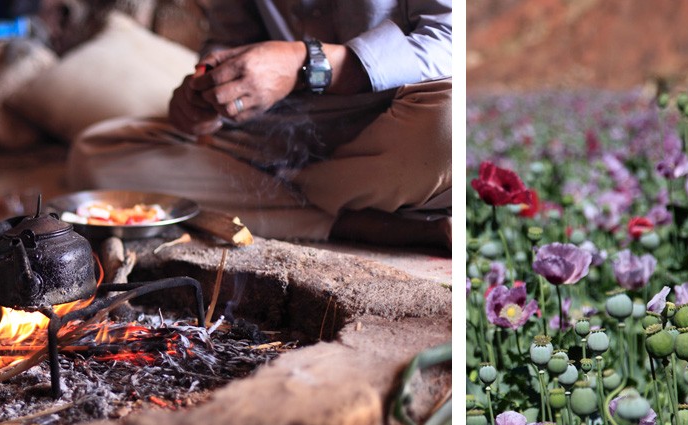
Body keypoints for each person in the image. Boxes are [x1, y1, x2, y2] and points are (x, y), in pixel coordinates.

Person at [67, 1, 452, 250]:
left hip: (392, 120)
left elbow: (448, 41)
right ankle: (352, 220)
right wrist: (209, 95)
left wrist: (307, 63)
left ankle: (304, 202)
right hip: (283, 135)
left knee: (447, 127)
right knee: (98, 156)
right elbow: (231, 41)